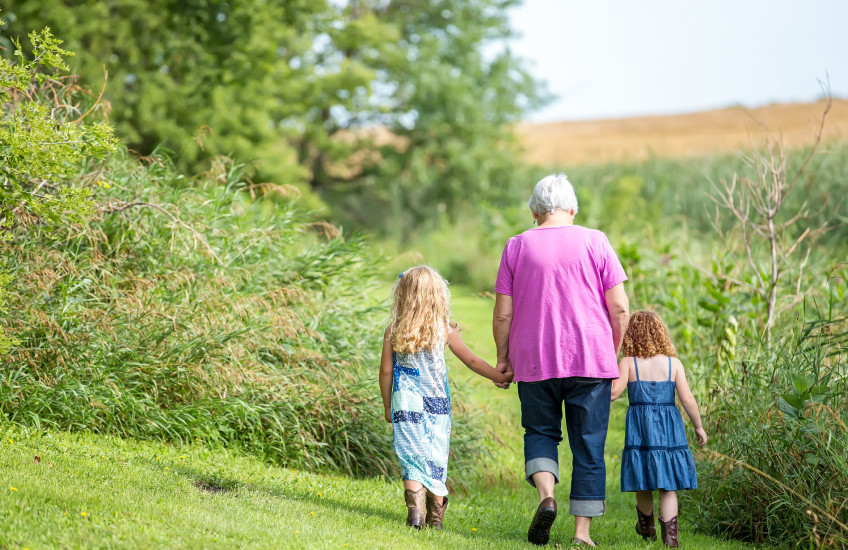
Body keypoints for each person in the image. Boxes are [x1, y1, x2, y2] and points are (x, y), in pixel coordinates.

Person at [493, 174, 630, 547]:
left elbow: (503, 314)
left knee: (540, 433)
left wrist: (503, 358)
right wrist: (612, 356)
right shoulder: (596, 240)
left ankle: (546, 498)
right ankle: (581, 534)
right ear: (572, 208)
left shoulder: (516, 246)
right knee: (588, 444)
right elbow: (619, 307)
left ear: (535, 211)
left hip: (534, 359)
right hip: (591, 359)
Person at [378, 265, 511, 530]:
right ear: (439, 296)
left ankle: (415, 513)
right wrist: (500, 375)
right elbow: (472, 360)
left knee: (411, 456)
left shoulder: (394, 330)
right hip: (437, 404)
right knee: (436, 457)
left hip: (405, 401)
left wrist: (387, 406)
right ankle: (436, 519)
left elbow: (385, 371)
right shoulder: (444, 330)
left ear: (403, 295)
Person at [610, 310, 708, 548]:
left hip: (640, 429)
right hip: (669, 429)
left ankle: (647, 527)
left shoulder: (628, 363)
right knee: (668, 484)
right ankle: (671, 537)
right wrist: (699, 427)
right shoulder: (674, 364)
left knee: (642, 479)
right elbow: (688, 399)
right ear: (660, 334)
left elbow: (613, 393)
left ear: (629, 335)